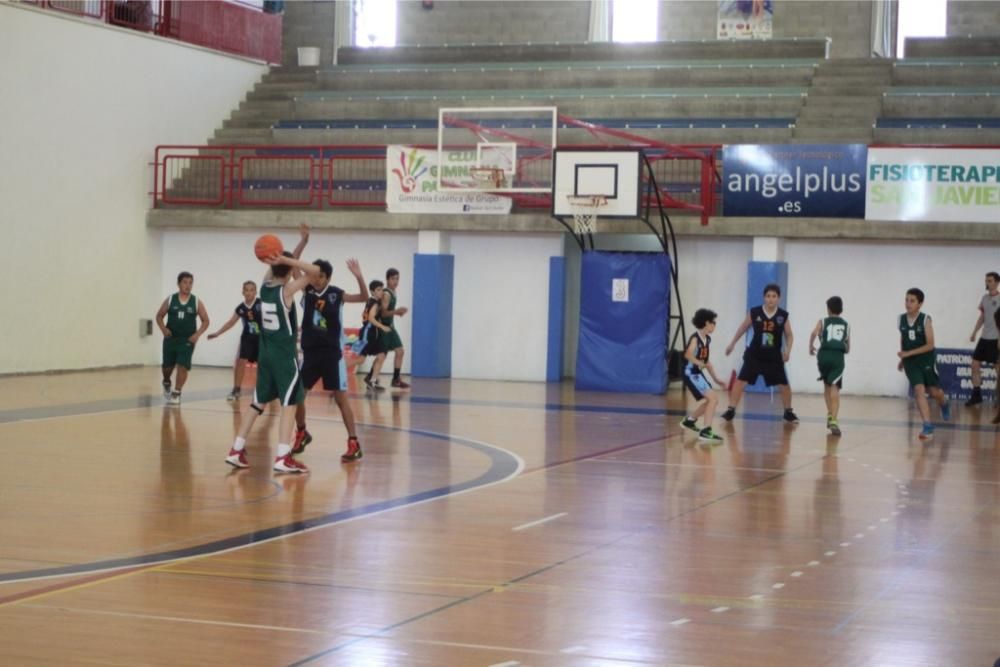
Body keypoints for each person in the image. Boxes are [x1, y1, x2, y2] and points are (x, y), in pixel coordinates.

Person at [225, 252, 320, 473]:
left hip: (265, 355)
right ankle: (283, 456)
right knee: (289, 404)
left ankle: (236, 449)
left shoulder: (264, 288)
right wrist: (287, 260)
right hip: (283, 357)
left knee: (257, 403)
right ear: (287, 271)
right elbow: (314, 271)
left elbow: (274, 273)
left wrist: (275, 259)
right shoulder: (286, 291)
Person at [294, 258, 369, 463]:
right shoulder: (307, 291)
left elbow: (364, 296)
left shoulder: (337, 293)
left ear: (327, 277)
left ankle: (354, 443)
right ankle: (302, 432)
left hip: (331, 354)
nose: (315, 280)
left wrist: (359, 276)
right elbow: (294, 266)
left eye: (319, 276)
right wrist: (303, 242)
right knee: (298, 395)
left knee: (340, 398)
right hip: (310, 353)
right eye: (313, 275)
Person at [722, 284, 798, 423]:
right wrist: (732, 343)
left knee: (784, 385)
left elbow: (790, 335)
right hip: (755, 354)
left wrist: (788, 351)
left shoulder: (783, 315)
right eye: (768, 296)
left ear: (778, 298)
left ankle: (788, 412)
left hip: (774, 356)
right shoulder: (755, 312)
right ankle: (731, 410)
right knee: (740, 381)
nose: (771, 299)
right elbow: (743, 328)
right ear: (764, 297)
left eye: (774, 296)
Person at [898, 287, 951, 441]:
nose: (908, 303)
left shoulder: (925, 319)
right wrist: (903, 358)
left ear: (920, 304)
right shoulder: (900, 319)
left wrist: (908, 353)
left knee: (935, 392)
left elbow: (930, 345)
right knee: (919, 390)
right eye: (906, 300)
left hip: (926, 360)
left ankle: (944, 403)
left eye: (912, 301)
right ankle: (927, 426)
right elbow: (903, 339)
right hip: (911, 363)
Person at [156, 271, 210, 406]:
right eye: (185, 282)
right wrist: (163, 329)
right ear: (178, 284)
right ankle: (167, 381)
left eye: (190, 283)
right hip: (171, 339)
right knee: (167, 367)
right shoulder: (170, 299)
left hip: (187, 340)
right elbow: (159, 316)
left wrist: (197, 335)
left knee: (182, 366)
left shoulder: (196, 301)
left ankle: (177, 392)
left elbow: (206, 321)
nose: (188, 285)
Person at [679, 309, 727, 444]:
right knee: (713, 399)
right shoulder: (695, 338)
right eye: (713, 322)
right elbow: (688, 354)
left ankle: (690, 421)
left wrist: (716, 379)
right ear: (707, 323)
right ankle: (706, 431)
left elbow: (707, 362)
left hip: (697, 373)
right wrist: (700, 363)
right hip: (690, 373)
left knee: (711, 401)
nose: (714, 325)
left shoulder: (707, 339)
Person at [207, 281, 261, 401]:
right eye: (246, 290)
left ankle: (264, 390)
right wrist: (218, 333)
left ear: (256, 292)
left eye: (252, 289)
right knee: (241, 362)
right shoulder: (240, 308)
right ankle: (236, 389)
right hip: (247, 338)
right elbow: (231, 322)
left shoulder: (261, 304)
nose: (249, 292)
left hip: (262, 339)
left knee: (263, 365)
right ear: (243, 292)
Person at [809, 296, 850, 436]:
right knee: (835, 388)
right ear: (841, 309)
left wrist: (810, 346)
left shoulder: (823, 321)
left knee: (827, 385)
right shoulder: (846, 324)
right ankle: (834, 419)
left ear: (828, 309)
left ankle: (829, 414)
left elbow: (814, 333)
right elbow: (848, 348)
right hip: (837, 357)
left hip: (823, 356)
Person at [366, 267, 410, 389]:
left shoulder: (393, 292)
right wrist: (397, 311)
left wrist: (397, 312)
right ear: (387, 279)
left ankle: (395, 379)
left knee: (399, 351)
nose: (395, 281)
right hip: (383, 327)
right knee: (382, 355)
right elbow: (384, 313)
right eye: (393, 279)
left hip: (390, 327)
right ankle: (371, 378)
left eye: (397, 278)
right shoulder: (386, 294)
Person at [966, 271, 1000, 407]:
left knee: (998, 368)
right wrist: (974, 332)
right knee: (974, 364)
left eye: (990, 281)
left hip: (996, 339)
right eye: (986, 281)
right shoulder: (985, 298)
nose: (987, 283)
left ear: (997, 283)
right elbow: (982, 317)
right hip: (984, 338)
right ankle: (976, 395)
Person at [355, 280, 391, 391]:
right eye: (378, 290)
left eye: (382, 289)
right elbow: (370, 318)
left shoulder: (372, 301)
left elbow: (384, 306)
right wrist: (382, 327)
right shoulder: (374, 303)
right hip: (368, 333)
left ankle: (372, 382)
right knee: (360, 360)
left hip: (372, 333)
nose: (381, 292)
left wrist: (386, 296)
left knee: (382, 355)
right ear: (372, 291)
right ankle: (337, 370)